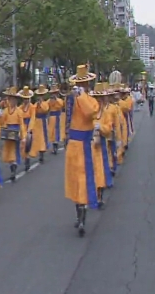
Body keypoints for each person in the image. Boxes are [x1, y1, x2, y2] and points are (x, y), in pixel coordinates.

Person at [64, 65, 100, 237]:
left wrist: (82, 96)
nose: (83, 85)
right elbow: (68, 118)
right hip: (73, 144)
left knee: (84, 180)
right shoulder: (71, 98)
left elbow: (90, 113)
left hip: (85, 144)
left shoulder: (90, 100)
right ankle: (78, 216)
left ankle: (83, 219)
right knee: (74, 181)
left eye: (85, 83)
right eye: (81, 83)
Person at [90, 82, 114, 208]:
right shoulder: (89, 114)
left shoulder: (106, 113)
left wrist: (100, 128)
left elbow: (109, 129)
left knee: (100, 170)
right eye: (96, 99)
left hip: (100, 146)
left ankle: (99, 196)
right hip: (89, 146)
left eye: (100, 99)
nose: (98, 102)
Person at [0, 87, 27, 182]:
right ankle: (12, 166)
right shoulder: (6, 111)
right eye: (10, 99)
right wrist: (2, 120)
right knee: (8, 150)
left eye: (14, 99)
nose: (12, 101)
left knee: (14, 151)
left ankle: (14, 168)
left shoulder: (19, 111)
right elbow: (2, 122)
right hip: (8, 132)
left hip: (15, 132)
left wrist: (23, 136)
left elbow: (22, 123)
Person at [31, 85, 50, 164]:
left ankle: (42, 153)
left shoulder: (45, 103)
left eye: (41, 95)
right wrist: (37, 104)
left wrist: (40, 104)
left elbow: (45, 109)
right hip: (37, 121)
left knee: (43, 137)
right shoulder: (35, 104)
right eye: (39, 95)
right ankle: (37, 151)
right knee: (37, 137)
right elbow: (33, 110)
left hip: (43, 121)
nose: (40, 97)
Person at [18, 86, 36, 172]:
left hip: (29, 126)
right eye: (24, 99)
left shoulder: (32, 107)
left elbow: (33, 118)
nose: (25, 100)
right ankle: (25, 159)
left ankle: (27, 158)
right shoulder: (20, 108)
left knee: (28, 144)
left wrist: (30, 129)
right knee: (22, 145)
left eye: (27, 98)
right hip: (22, 127)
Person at [48, 84, 64, 155]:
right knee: (51, 131)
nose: (54, 94)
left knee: (56, 131)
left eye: (55, 93)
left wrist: (56, 99)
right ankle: (53, 145)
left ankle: (55, 146)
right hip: (51, 117)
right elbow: (45, 107)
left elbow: (61, 105)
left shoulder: (59, 100)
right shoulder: (49, 100)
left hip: (57, 117)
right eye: (52, 93)